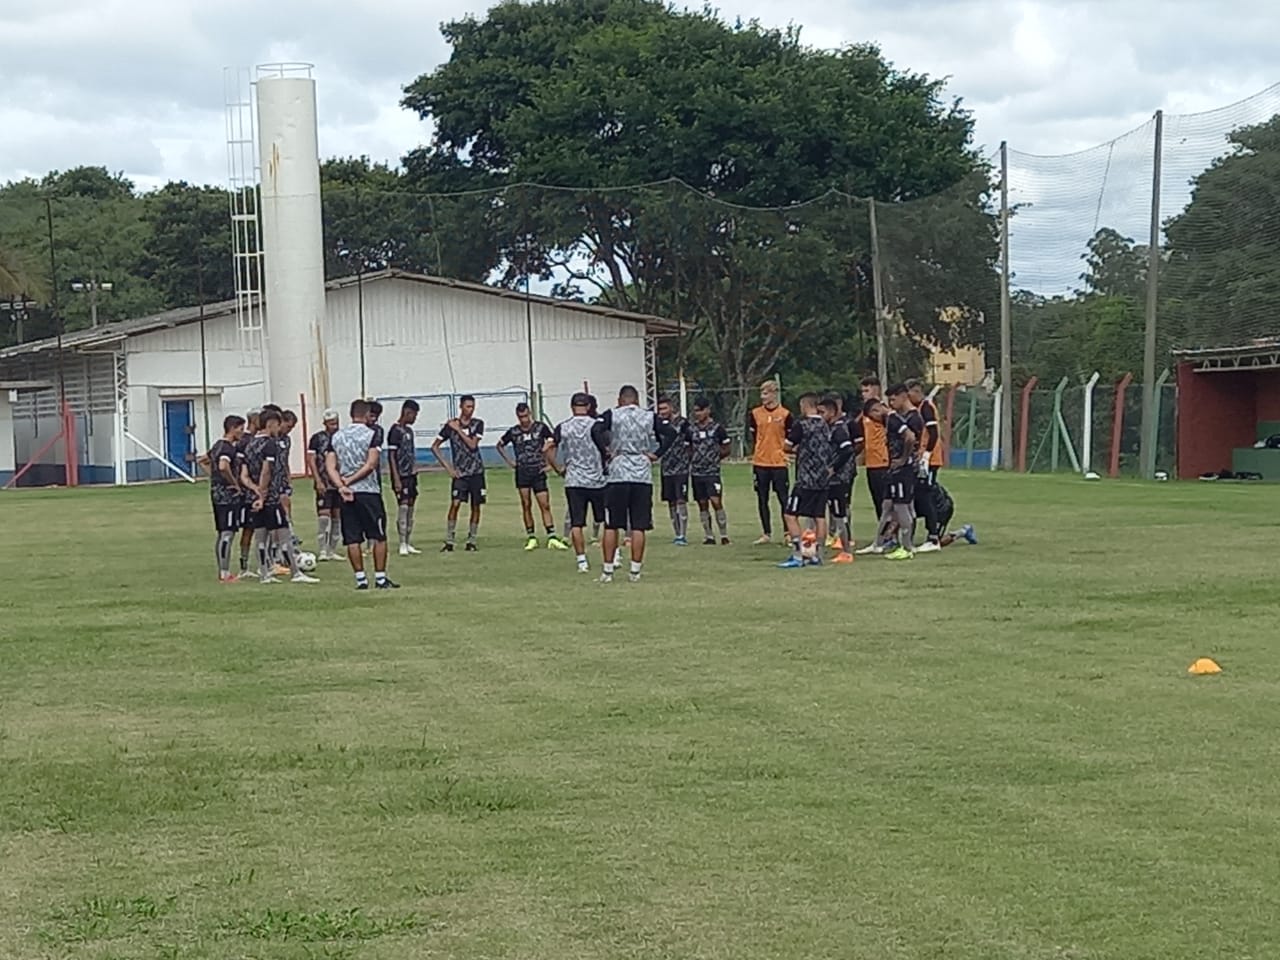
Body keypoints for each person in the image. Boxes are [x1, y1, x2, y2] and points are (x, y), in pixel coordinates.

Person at [591, 385, 676, 583]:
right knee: (639, 525)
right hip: (641, 472)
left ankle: (608, 571)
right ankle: (635, 571)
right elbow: (671, 432)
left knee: (611, 525)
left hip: (618, 471)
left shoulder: (612, 414)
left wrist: (605, 451)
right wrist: (657, 454)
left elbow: (595, 430)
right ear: (637, 400)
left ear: (620, 400)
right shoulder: (649, 416)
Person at [325, 398, 399, 590]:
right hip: (368, 491)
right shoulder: (371, 434)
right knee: (379, 535)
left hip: (346, 494)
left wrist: (341, 485)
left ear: (351, 415)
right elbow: (371, 464)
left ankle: (360, 579)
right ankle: (381, 577)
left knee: (352, 537)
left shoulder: (336, 437)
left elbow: (330, 466)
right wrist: (350, 481)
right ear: (367, 415)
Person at [240, 409, 317, 584]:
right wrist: (263, 492)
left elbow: (243, 475)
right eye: (277, 423)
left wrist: (254, 490)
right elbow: (267, 471)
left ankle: (264, 574)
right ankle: (296, 573)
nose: (278, 427)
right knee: (283, 534)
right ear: (270, 424)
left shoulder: (249, 445)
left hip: (254, 497)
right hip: (271, 497)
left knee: (260, 536)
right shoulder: (270, 444)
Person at [547, 392, 607, 573]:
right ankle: (613, 555)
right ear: (588, 407)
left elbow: (547, 449)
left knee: (576, 523)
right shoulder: (597, 425)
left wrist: (558, 468)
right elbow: (607, 448)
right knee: (606, 520)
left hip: (574, 480)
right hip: (597, 479)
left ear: (572, 407)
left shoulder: (563, 427)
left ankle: (582, 560)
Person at [777, 393, 837, 569]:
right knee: (819, 516)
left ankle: (798, 554)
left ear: (805, 405)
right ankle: (817, 555)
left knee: (790, 514)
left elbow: (787, 446)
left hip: (805, 478)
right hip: (823, 478)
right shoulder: (825, 425)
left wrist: (800, 451)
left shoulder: (801, 425)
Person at [498, 402, 566, 551]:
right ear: (517, 416)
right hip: (522, 472)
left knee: (545, 504)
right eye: (521, 417)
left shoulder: (540, 428)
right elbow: (500, 445)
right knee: (526, 504)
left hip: (538, 471)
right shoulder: (514, 432)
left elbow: (553, 442)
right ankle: (531, 536)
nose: (524, 420)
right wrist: (510, 461)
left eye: (526, 416)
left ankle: (552, 536)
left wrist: (550, 463)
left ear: (530, 413)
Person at [432, 394, 485, 552]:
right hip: (460, 473)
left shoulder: (478, 424)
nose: (470, 410)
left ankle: (472, 540)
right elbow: (435, 446)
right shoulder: (451, 425)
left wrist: (459, 430)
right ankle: (449, 540)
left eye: (473, 407)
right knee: (455, 504)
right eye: (468, 406)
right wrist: (448, 468)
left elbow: (472, 445)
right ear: (461, 406)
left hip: (476, 471)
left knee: (476, 506)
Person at [746, 380, 793, 544]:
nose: (763, 397)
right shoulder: (755, 413)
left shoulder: (785, 414)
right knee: (762, 498)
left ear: (774, 393)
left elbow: (790, 437)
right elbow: (754, 435)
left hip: (779, 462)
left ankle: (788, 532)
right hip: (760, 462)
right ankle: (766, 533)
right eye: (761, 393)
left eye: (766, 393)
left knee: (783, 498)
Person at [882, 383, 925, 561]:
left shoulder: (913, 418)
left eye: (893, 399)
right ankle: (905, 544)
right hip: (902, 466)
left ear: (903, 396)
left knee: (902, 506)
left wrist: (903, 458)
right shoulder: (903, 416)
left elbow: (911, 437)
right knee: (905, 505)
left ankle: (906, 546)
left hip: (904, 467)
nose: (891, 403)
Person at [820, 394, 860, 564]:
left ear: (831, 412)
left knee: (840, 514)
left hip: (839, 479)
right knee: (835, 512)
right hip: (833, 479)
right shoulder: (828, 428)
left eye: (822, 412)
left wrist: (833, 468)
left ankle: (846, 550)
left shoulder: (838, 430)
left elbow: (847, 450)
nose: (820, 416)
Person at [906, 379, 943, 553]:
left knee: (926, 495)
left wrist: (927, 455)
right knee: (921, 495)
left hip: (929, 460)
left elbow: (934, 433)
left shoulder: (926, 408)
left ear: (916, 392)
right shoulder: (917, 409)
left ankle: (933, 537)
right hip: (921, 458)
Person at [855, 376, 891, 555]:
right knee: (878, 502)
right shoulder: (866, 412)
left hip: (883, 462)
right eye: (862, 391)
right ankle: (883, 537)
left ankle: (890, 538)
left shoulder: (882, 410)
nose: (864, 394)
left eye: (867, 390)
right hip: (871, 463)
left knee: (886, 503)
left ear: (876, 390)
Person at [208, 415, 246, 582]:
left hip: (216, 492)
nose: (242, 432)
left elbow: (203, 460)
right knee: (227, 533)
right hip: (227, 495)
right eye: (240, 429)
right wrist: (233, 483)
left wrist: (213, 477)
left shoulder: (216, 445)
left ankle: (222, 570)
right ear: (232, 428)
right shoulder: (227, 448)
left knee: (222, 532)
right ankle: (225, 572)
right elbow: (223, 466)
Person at [688, 396, 731, 545]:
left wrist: (714, 458)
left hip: (712, 472)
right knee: (702, 503)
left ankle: (724, 535)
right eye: (695, 411)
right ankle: (709, 535)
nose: (697, 414)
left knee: (716, 501)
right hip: (696, 472)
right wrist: (695, 458)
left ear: (707, 410)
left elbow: (726, 447)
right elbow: (688, 448)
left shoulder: (717, 428)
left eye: (700, 411)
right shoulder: (691, 429)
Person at [656, 395, 694, 546]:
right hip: (666, 468)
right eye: (660, 409)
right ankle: (676, 532)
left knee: (681, 499)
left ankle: (683, 534)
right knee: (670, 501)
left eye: (664, 408)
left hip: (681, 468)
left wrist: (687, 459)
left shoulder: (683, 423)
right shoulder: (659, 424)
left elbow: (691, 442)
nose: (662, 411)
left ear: (671, 407)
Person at [387, 399, 422, 556]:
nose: (415, 419)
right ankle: (401, 542)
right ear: (407, 412)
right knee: (403, 506)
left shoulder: (409, 431)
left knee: (411, 507)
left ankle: (408, 541)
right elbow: (392, 456)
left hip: (411, 475)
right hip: (401, 475)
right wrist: (396, 477)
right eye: (414, 415)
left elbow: (410, 452)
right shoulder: (395, 431)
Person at [308, 409, 342, 560]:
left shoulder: (342, 437)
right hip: (324, 481)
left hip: (339, 483)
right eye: (330, 423)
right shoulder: (317, 438)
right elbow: (312, 460)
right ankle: (322, 549)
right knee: (324, 515)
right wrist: (318, 480)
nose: (333, 426)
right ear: (324, 423)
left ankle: (332, 550)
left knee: (337, 516)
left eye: (335, 422)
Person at [234, 409, 261, 579]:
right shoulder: (244, 442)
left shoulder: (258, 440)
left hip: (258, 490)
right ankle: (244, 567)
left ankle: (266, 563)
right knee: (249, 529)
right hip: (247, 493)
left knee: (263, 529)